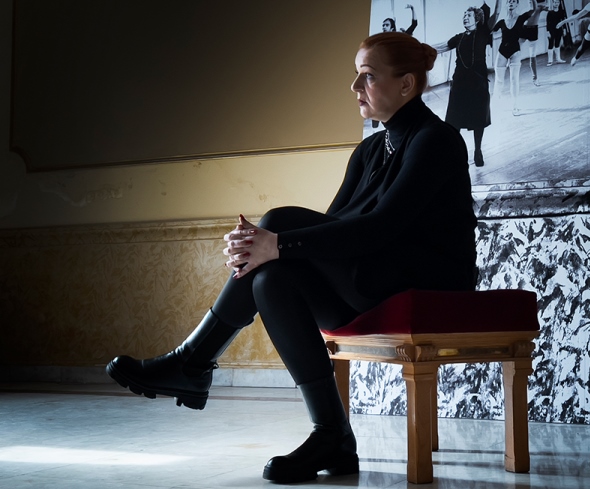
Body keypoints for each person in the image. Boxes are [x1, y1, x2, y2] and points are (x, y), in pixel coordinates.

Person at [105, 32, 477, 484]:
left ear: (406, 84)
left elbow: (381, 228)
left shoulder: (437, 140)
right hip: (368, 281)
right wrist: (264, 249)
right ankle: (332, 433)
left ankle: (193, 362)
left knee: (278, 223)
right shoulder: (370, 151)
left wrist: (275, 242)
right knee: (271, 280)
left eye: (367, 76)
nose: (354, 87)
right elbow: (334, 228)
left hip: (423, 282)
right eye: (356, 75)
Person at [432, 1, 501, 167]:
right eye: (464, 15)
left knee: (478, 119)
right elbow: (441, 47)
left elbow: (497, 13)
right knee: (454, 120)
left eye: (468, 15)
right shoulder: (459, 37)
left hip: (478, 83)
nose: (465, 17)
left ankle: (478, 151)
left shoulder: (483, 32)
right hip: (460, 83)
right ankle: (456, 153)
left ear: (477, 19)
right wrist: (419, 47)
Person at [492, 0, 541, 116]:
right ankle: (494, 103)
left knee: (514, 80)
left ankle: (515, 106)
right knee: (499, 81)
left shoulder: (521, 18)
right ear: (506, 4)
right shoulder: (501, 22)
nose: (511, 3)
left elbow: (533, 9)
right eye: (509, 1)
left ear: (517, 4)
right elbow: (490, 30)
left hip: (515, 52)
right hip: (502, 52)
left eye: (513, 1)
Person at [545, 0, 567, 66]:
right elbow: (547, 23)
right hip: (551, 30)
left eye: (557, 2)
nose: (556, 4)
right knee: (551, 44)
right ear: (553, 3)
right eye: (555, 2)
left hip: (559, 30)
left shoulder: (561, 12)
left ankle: (558, 59)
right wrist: (548, 32)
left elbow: (563, 21)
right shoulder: (550, 13)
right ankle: (550, 61)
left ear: (559, 3)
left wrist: (564, 29)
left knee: (557, 44)